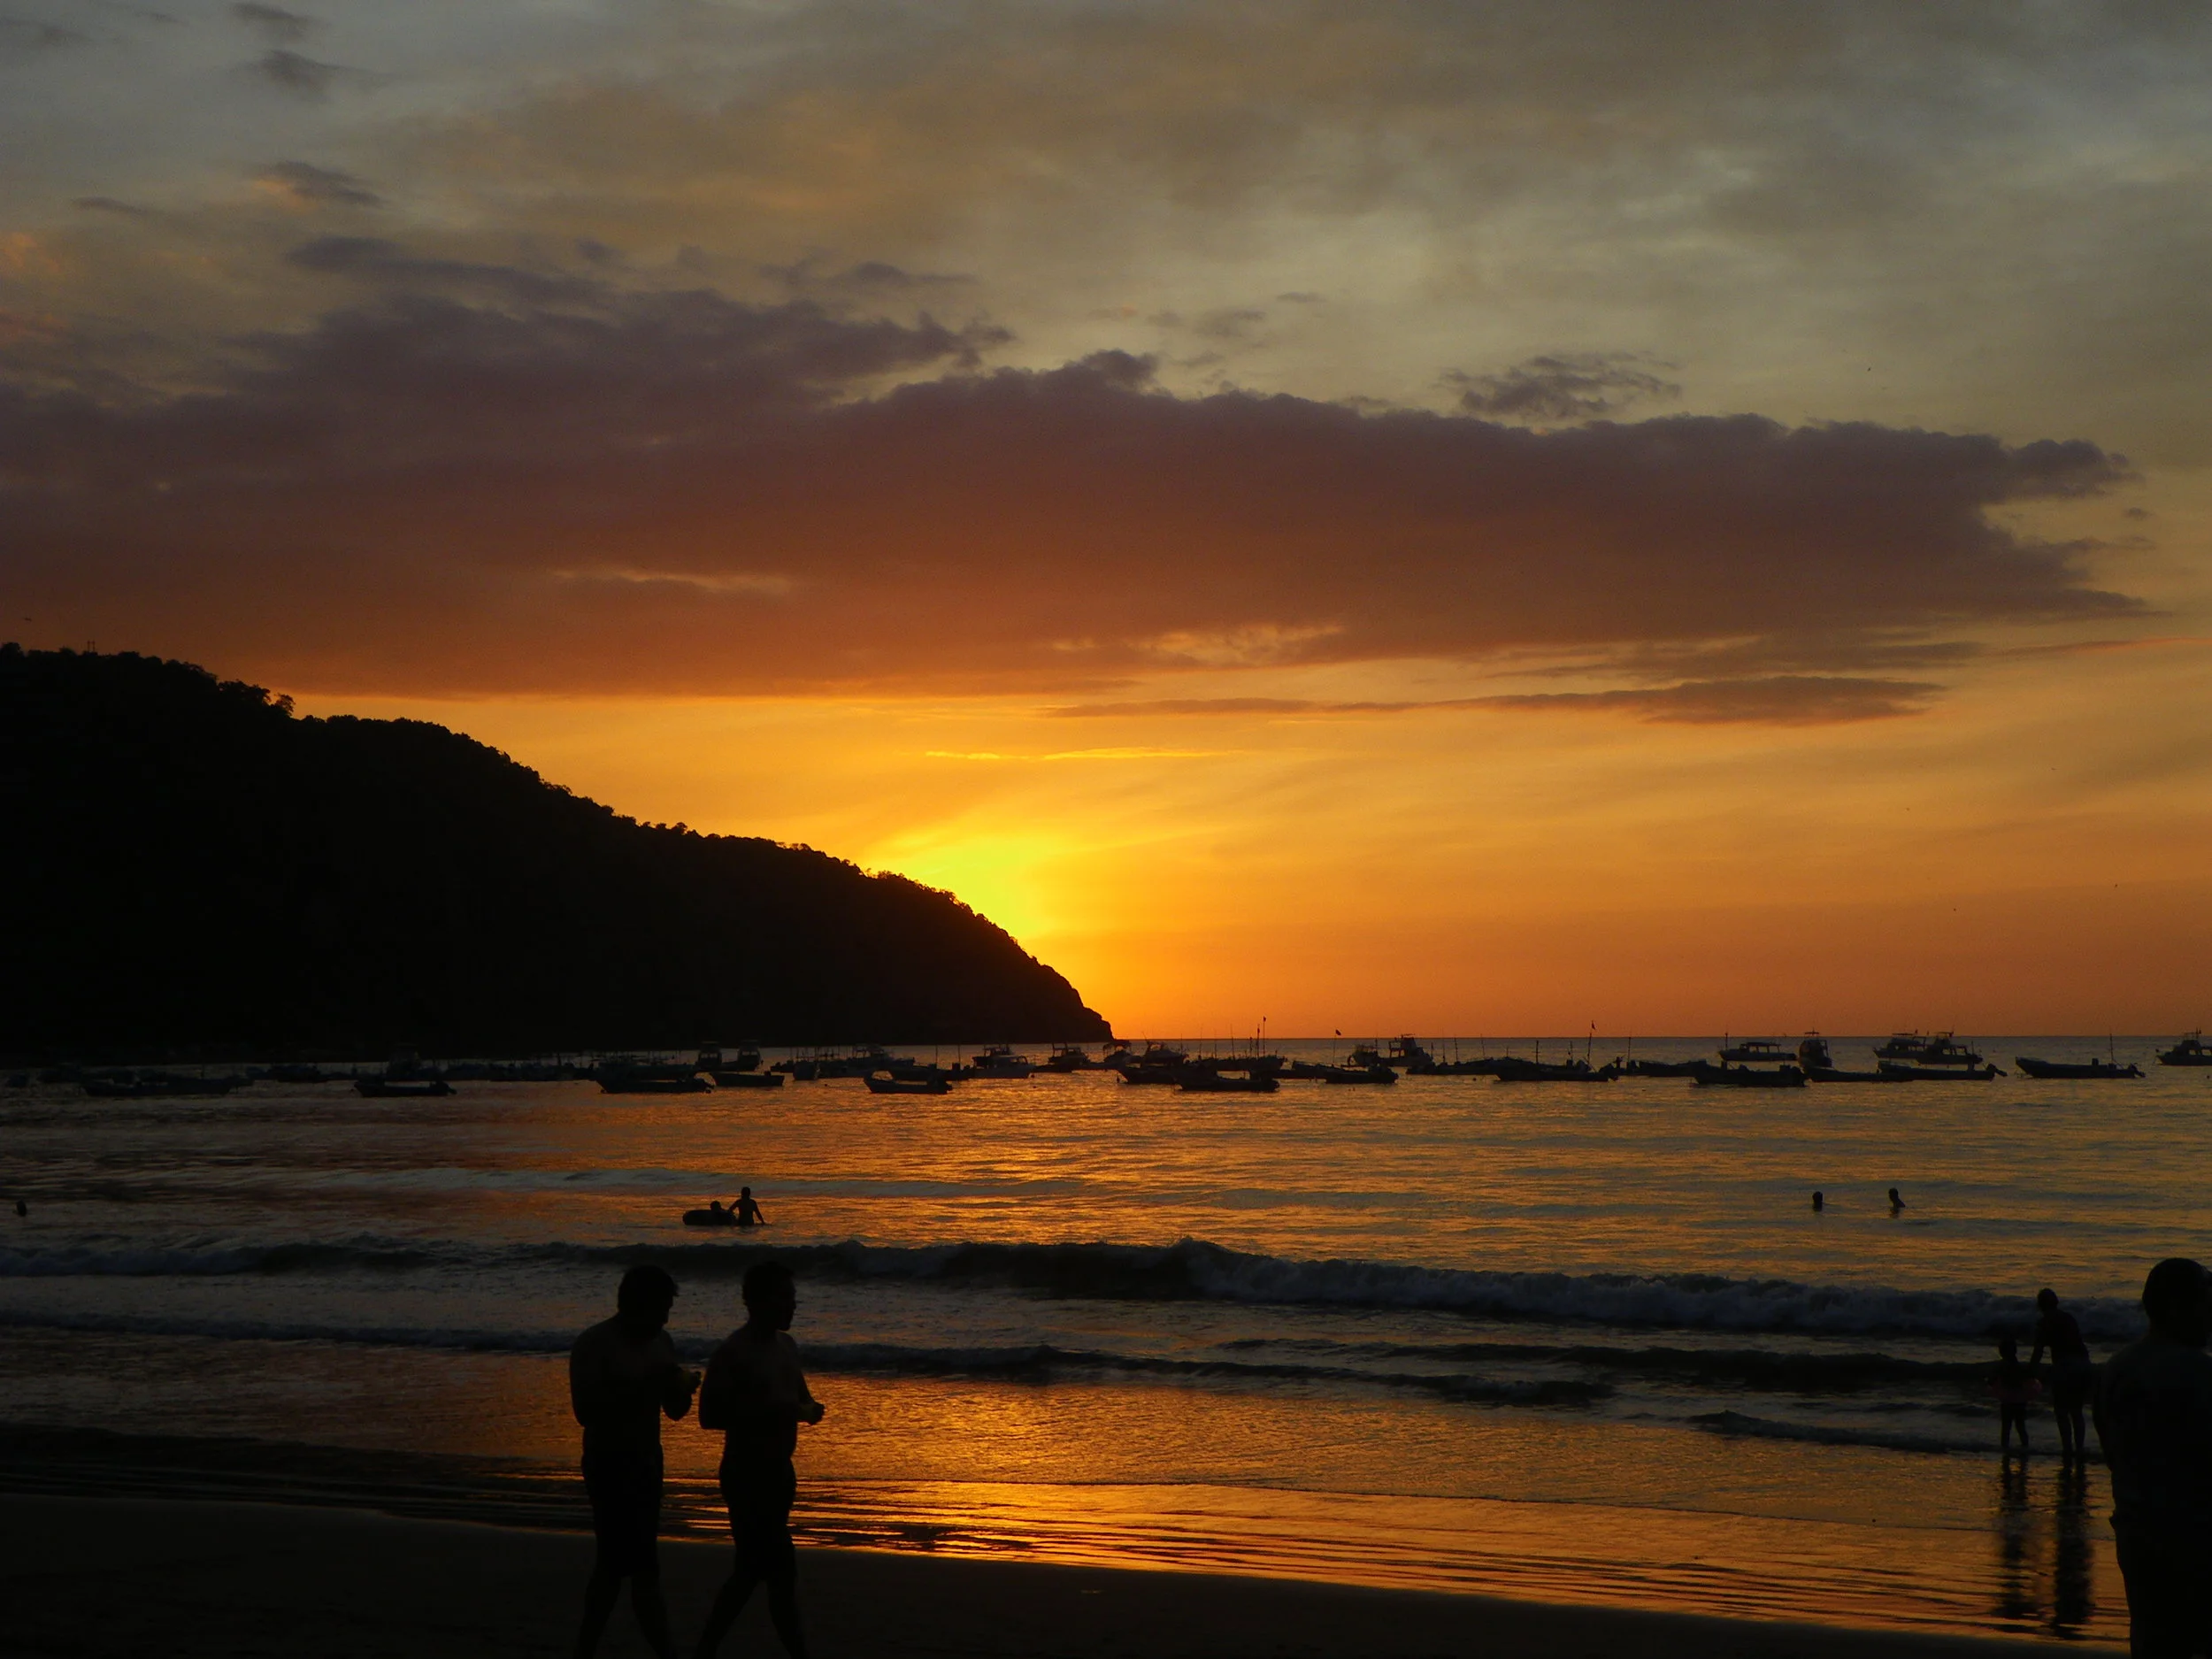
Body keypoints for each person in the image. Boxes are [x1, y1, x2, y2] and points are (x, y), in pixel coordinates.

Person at [693, 1260, 825, 1659]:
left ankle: (707, 1650)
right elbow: (708, 1417)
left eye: (793, 1298)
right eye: (784, 1298)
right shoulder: (734, 1352)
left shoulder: (788, 1347)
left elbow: (802, 1400)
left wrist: (809, 1409)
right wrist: (771, 1410)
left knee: (757, 1571)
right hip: (746, 1472)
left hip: (781, 1472)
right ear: (756, 1302)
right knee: (770, 1570)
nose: (792, 1306)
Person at [569, 1264, 699, 1659]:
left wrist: (682, 1389)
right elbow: (586, 1412)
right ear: (634, 1306)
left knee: (634, 1563)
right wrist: (654, 1384)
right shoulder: (594, 1344)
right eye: (659, 1309)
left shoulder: (662, 1343)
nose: (664, 1318)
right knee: (620, 1564)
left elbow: (674, 1411)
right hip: (608, 1463)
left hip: (647, 1463)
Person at [2094, 1257, 2212, 1659]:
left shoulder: (2116, 1369)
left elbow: (2112, 1452)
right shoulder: (2198, 1372)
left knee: (2151, 1641)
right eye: (2205, 1305)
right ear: (2177, 1308)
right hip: (2192, 1541)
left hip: (2136, 1533)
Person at [2032, 1287, 2095, 1463]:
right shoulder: (2068, 1318)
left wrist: (2031, 1372)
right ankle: (2080, 1449)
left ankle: (2068, 1449)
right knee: (2077, 1411)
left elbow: (2038, 1351)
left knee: (2061, 1411)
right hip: (2083, 1363)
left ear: (2040, 1306)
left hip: (2065, 1366)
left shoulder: (2044, 1323)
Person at [1993, 1335, 2037, 1454]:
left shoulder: (2003, 1366)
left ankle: (2005, 1448)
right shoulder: (2019, 1366)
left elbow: (1995, 1380)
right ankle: (2025, 1447)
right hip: (2020, 1401)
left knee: (2006, 1427)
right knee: (2020, 1426)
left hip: (2007, 1401)